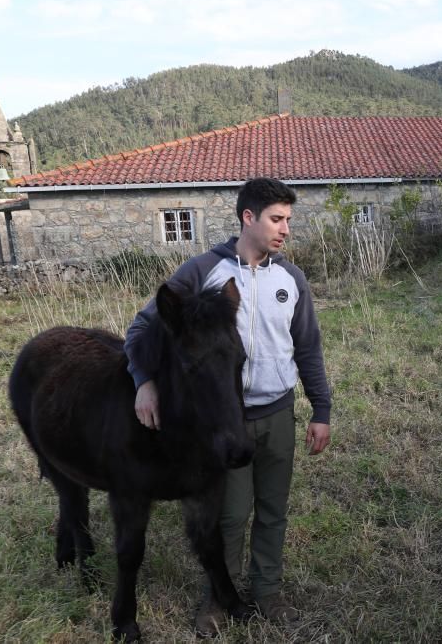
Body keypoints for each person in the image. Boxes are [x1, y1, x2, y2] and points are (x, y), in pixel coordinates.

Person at [123, 177, 332, 634]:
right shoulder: (201, 272)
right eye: (277, 219)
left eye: (288, 221)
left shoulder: (290, 279)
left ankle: (268, 593)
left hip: (278, 412)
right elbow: (140, 331)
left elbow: (309, 349)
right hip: (223, 421)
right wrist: (145, 382)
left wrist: (321, 410)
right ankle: (219, 596)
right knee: (230, 515)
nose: (285, 230)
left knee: (273, 510)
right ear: (248, 218)